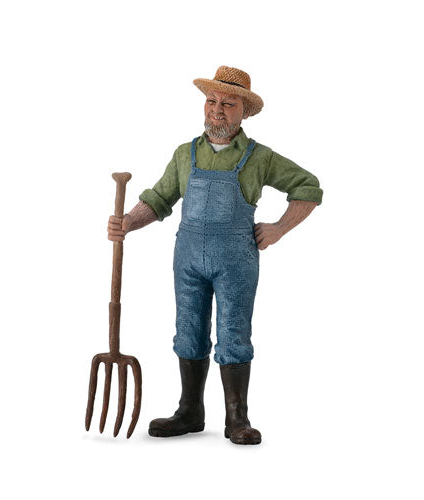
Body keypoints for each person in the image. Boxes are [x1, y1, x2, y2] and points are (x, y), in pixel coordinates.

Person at [107, 66, 323, 445]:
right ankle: (190, 411)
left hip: (236, 261)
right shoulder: (185, 154)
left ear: (244, 111)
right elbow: (159, 199)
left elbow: (308, 187)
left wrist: (278, 228)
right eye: (211, 101)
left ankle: (237, 418)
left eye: (228, 103)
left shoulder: (259, 158)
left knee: (233, 332)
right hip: (187, 260)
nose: (217, 110)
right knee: (188, 330)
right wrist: (128, 222)